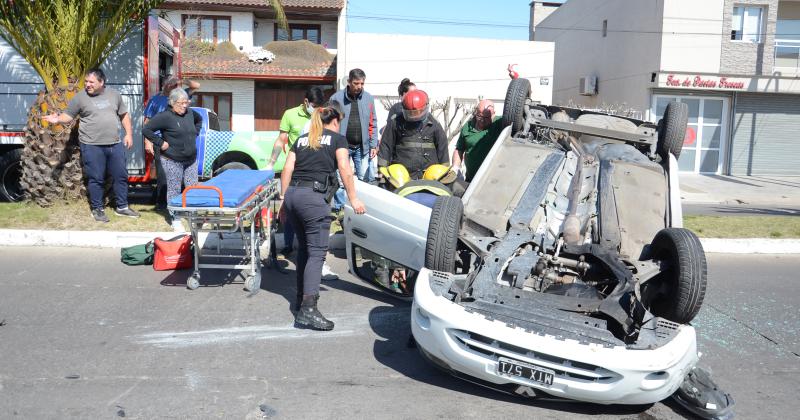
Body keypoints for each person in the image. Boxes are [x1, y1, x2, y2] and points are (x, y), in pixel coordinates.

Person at [280, 100, 366, 331]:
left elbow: (287, 169)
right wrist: (354, 198)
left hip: (293, 196)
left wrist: (282, 201)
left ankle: (300, 301)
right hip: (313, 199)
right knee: (317, 253)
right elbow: (345, 168)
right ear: (335, 120)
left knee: (305, 251)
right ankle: (308, 311)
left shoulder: (301, 139)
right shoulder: (337, 139)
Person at [43, 68, 139, 222]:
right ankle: (97, 209)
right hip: (92, 145)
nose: (87, 84)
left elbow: (124, 115)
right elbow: (69, 115)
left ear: (102, 82)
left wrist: (128, 134)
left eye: (91, 82)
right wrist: (58, 119)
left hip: (114, 144)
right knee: (96, 178)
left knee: (120, 176)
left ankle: (122, 207)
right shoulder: (80, 98)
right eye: (86, 81)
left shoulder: (114, 95)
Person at [265, 87, 325, 257]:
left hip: (315, 169)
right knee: (289, 207)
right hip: (294, 168)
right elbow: (281, 139)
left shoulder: (322, 114)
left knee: (311, 208)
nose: (317, 109)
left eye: (319, 106)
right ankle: (288, 244)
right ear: (306, 102)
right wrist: (271, 162)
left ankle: (310, 245)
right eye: (314, 105)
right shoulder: (290, 115)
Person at [142, 88, 202, 231]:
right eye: (181, 103)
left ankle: (193, 216)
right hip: (172, 159)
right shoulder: (165, 116)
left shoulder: (190, 113)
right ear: (172, 103)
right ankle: (175, 219)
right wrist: (160, 143)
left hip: (191, 159)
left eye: (186, 102)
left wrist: (195, 132)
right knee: (174, 189)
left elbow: (199, 120)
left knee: (192, 188)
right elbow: (146, 129)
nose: (184, 106)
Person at [330, 68, 378, 211]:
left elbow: (373, 122)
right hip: (341, 147)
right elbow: (330, 123)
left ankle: (363, 207)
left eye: (362, 83)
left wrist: (373, 144)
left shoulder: (368, 98)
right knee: (340, 180)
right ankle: (340, 209)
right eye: (356, 83)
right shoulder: (336, 99)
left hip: (362, 147)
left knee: (364, 179)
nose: (359, 87)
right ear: (349, 82)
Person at [377, 89, 449, 180]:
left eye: (418, 112)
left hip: (429, 177)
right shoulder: (395, 122)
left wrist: (444, 172)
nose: (415, 116)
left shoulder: (434, 124)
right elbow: (386, 145)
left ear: (425, 108)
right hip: (401, 177)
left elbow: (443, 149)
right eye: (410, 113)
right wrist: (382, 170)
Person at [452, 99, 505, 182]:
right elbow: (459, 149)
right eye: (479, 116)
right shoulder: (467, 127)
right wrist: (456, 168)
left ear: (493, 114)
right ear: (476, 112)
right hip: (471, 179)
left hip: (491, 181)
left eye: (486, 117)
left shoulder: (500, 123)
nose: (482, 120)